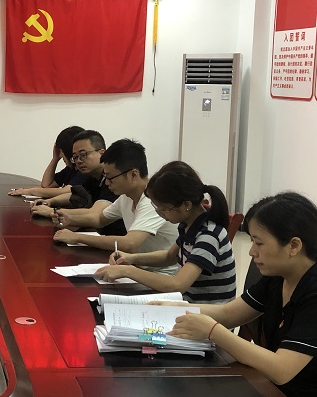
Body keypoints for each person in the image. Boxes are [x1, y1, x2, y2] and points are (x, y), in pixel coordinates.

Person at [161, 192, 317, 397]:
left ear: (294, 246)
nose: (252, 252)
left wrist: (213, 331)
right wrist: (176, 307)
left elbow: (282, 369)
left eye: (259, 243)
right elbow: (228, 314)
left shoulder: (312, 291)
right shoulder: (279, 277)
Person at [95, 161, 236, 303]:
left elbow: (177, 285)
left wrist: (127, 271)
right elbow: (169, 256)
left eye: (164, 209)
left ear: (186, 205)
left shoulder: (208, 235)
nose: (161, 214)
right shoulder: (189, 225)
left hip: (207, 312)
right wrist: (131, 258)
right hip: (188, 304)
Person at [50, 139, 177, 265]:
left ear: (133, 174)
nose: (106, 183)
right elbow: (99, 219)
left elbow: (130, 244)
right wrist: (70, 219)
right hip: (137, 267)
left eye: (110, 178)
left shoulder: (153, 201)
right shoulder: (126, 197)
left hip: (160, 273)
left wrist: (77, 237)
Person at [31, 129, 125, 236]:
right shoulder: (93, 176)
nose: (79, 161)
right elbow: (75, 195)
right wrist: (50, 201)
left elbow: (96, 214)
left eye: (83, 154)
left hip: (116, 239)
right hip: (100, 234)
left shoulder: (114, 178)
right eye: (75, 157)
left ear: (102, 153)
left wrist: (52, 211)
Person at [8, 126, 88, 198]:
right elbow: (46, 185)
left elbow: (66, 191)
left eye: (61, 151)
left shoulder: (85, 171)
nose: (60, 155)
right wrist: (55, 159)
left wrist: (30, 191)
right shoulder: (70, 169)